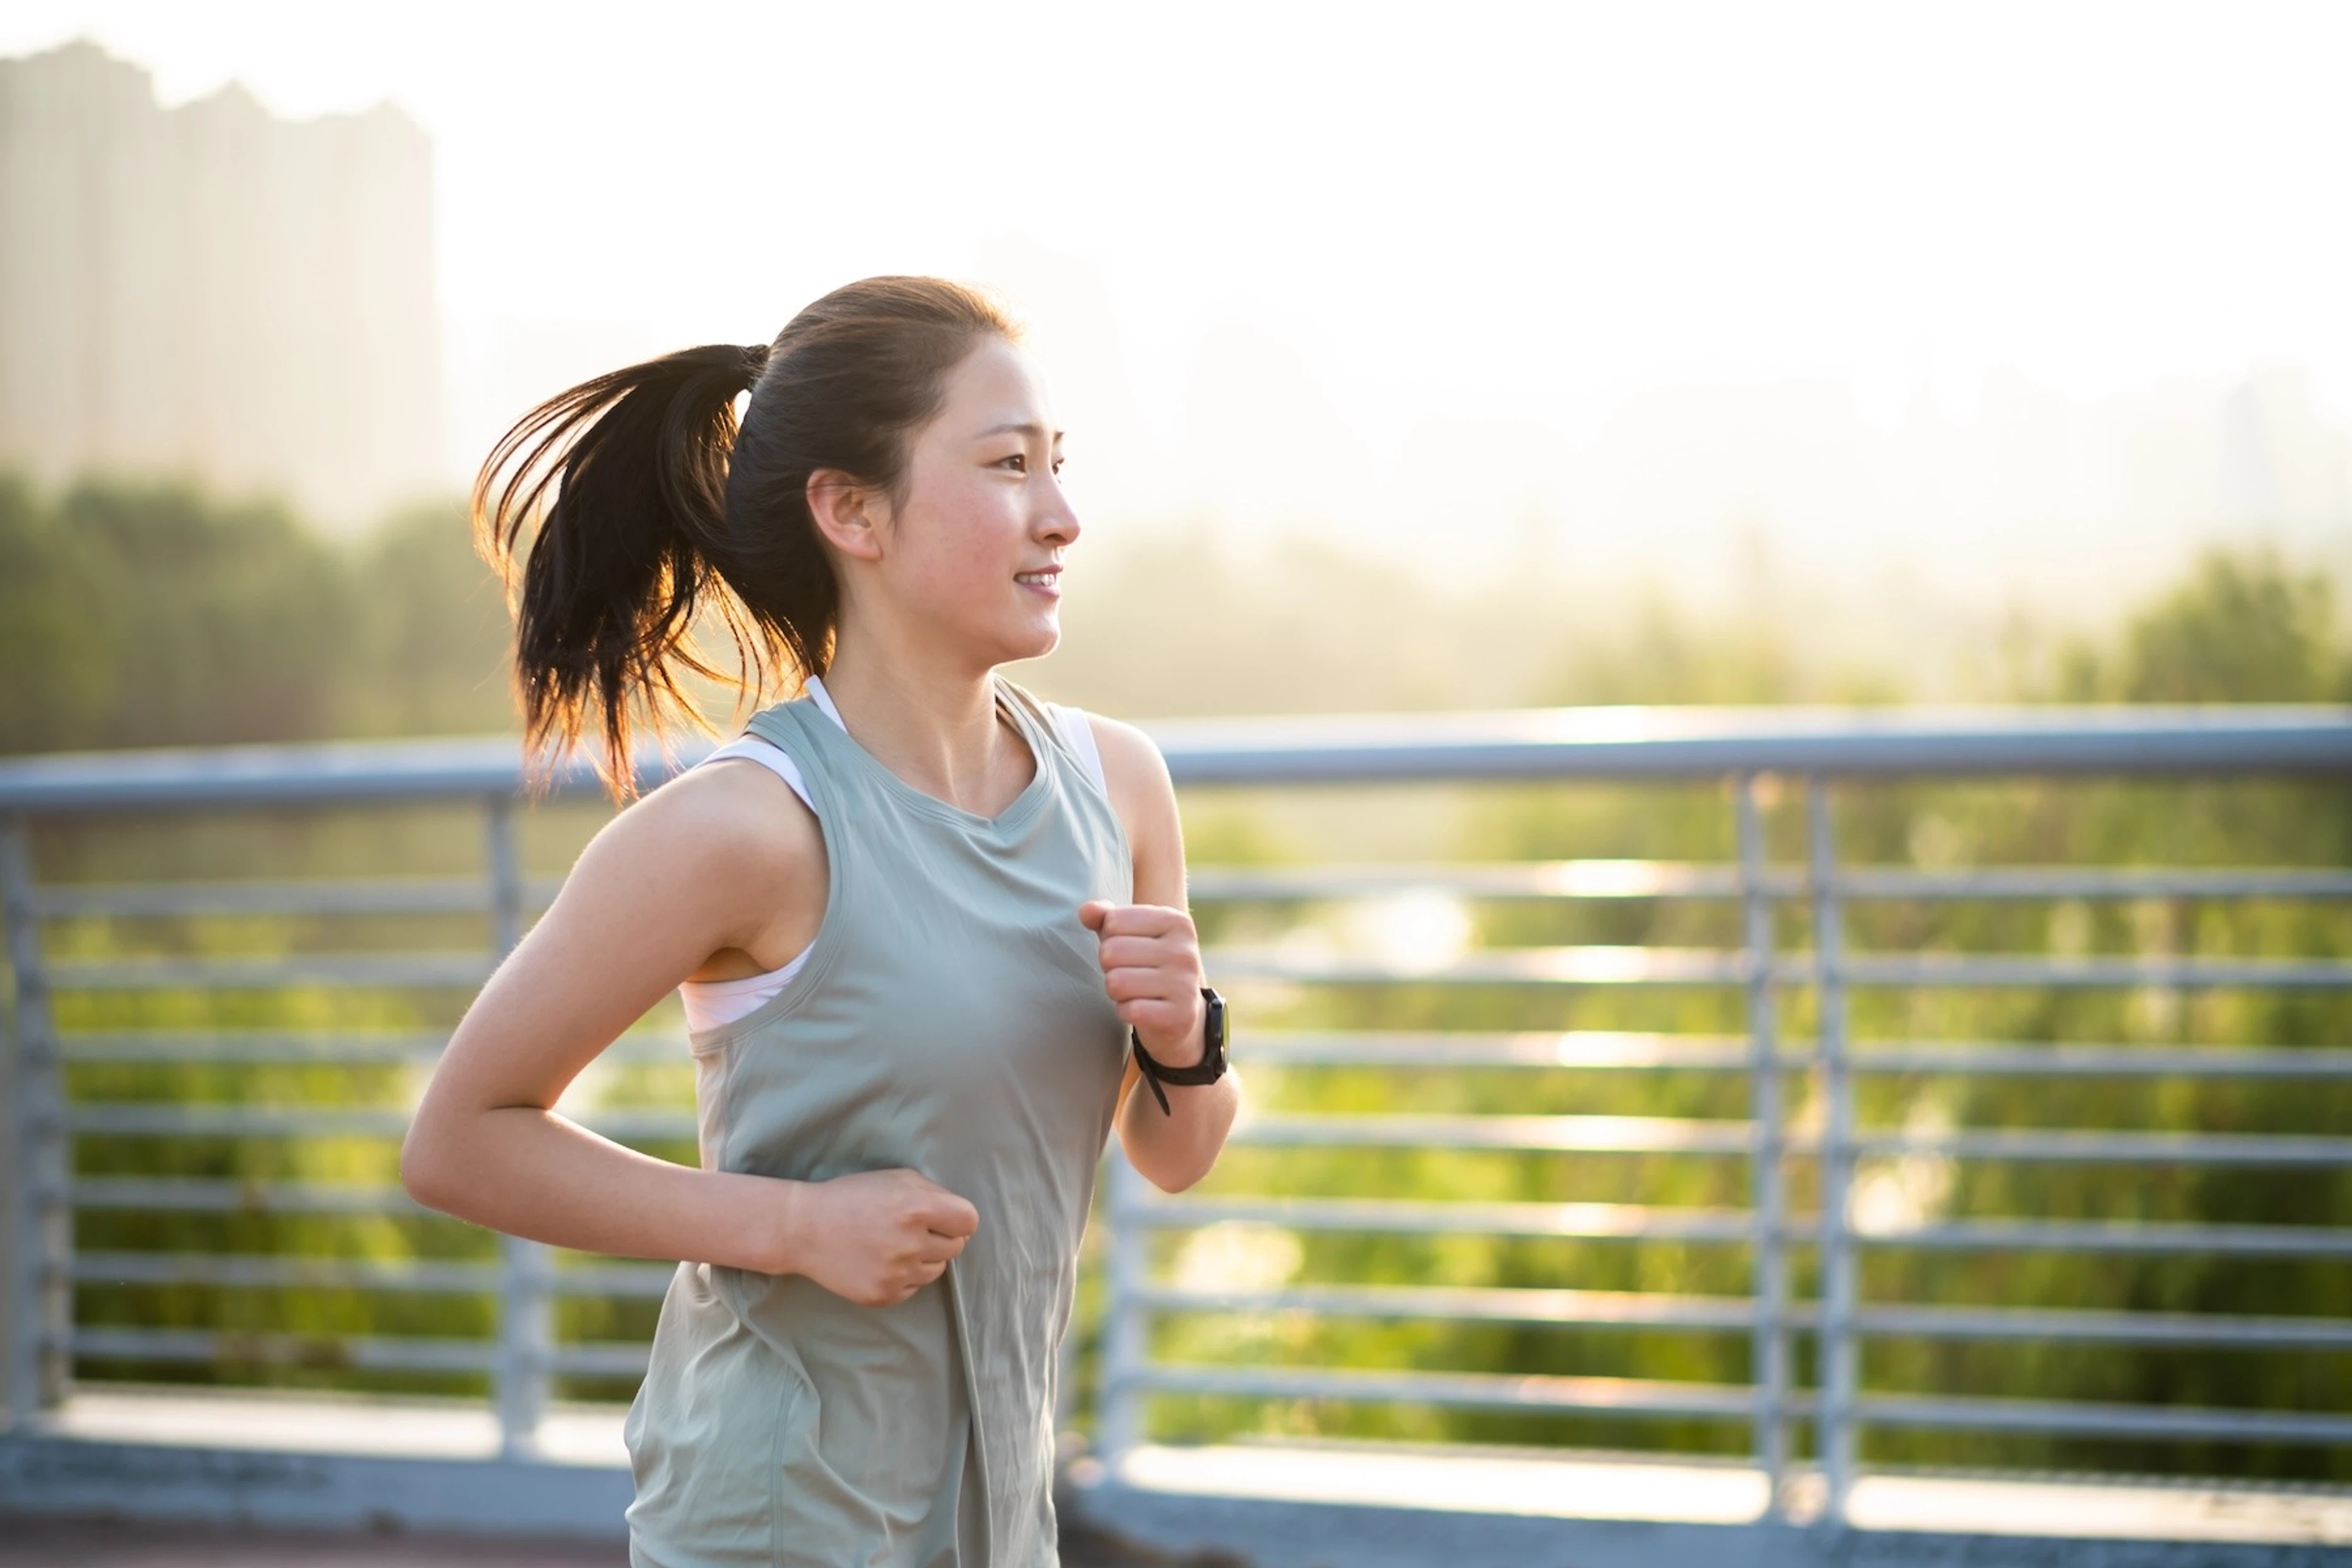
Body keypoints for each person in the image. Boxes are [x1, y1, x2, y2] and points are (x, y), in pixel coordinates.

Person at [399, 276, 1241, 1567]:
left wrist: (1187, 1036)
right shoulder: (746, 826)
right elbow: (459, 1139)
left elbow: (1175, 1154)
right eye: (1008, 466)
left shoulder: (1118, 785)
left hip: (998, 1515)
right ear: (851, 508)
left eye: (1059, 466)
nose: (1061, 516)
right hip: (780, 1516)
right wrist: (792, 1226)